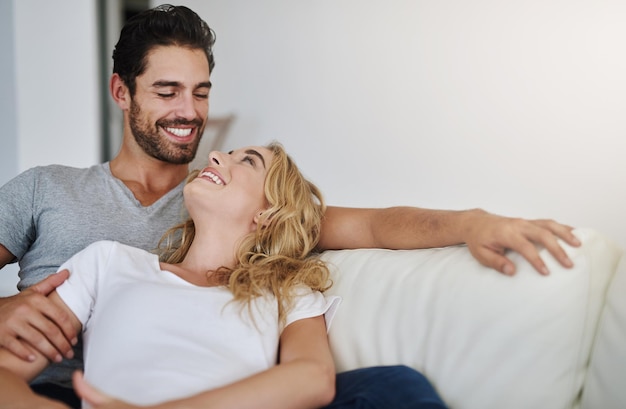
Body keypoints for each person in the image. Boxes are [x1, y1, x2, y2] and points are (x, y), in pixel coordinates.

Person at [0, 3, 577, 407]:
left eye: (201, 92)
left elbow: (374, 226)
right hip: (64, 389)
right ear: (122, 92)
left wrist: (473, 221)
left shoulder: (231, 203)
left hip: (224, 393)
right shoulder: (50, 194)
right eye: (167, 91)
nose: (190, 112)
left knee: (389, 388)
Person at [0, 142, 447, 409]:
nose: (215, 156)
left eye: (246, 161)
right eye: (227, 154)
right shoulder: (107, 262)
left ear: (269, 215)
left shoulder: (284, 289)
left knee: (397, 387)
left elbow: (312, 377)